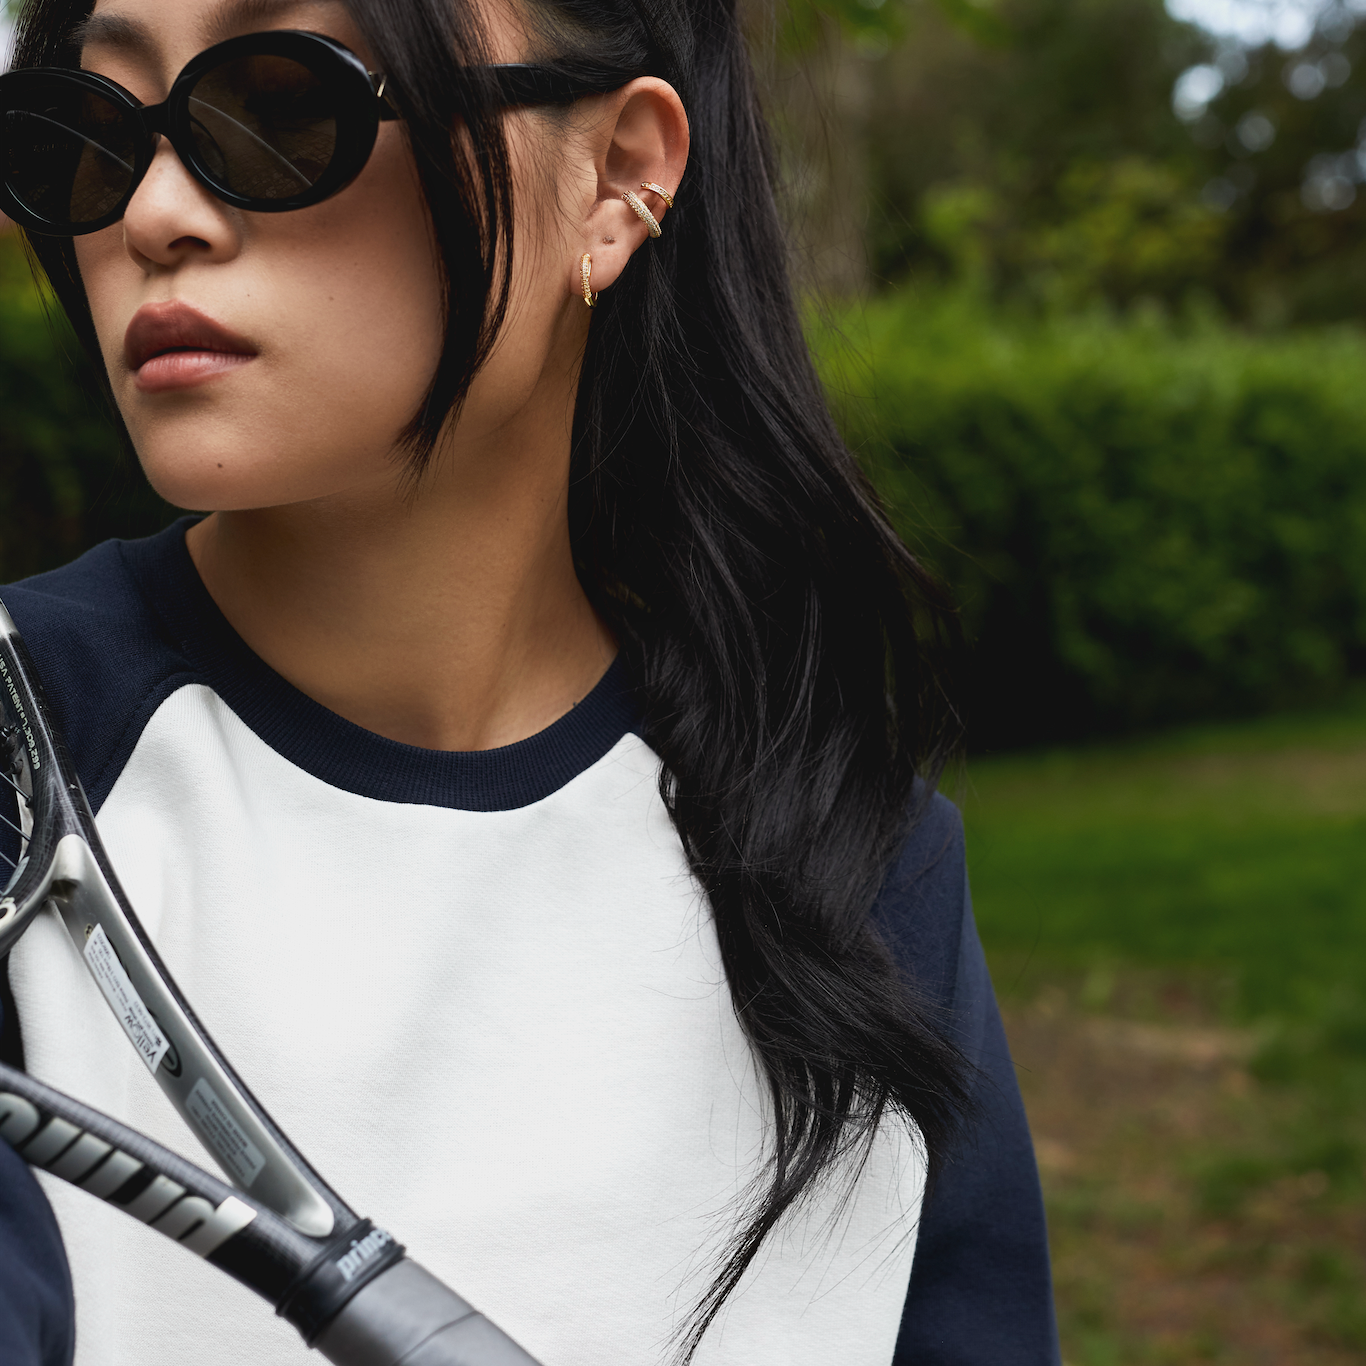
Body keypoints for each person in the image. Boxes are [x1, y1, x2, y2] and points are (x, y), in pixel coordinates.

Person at [0, 0, 1058, 1361]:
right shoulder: (25, 776)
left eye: (280, 105)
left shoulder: (853, 859)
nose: (150, 214)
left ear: (618, 177)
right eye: (87, 134)